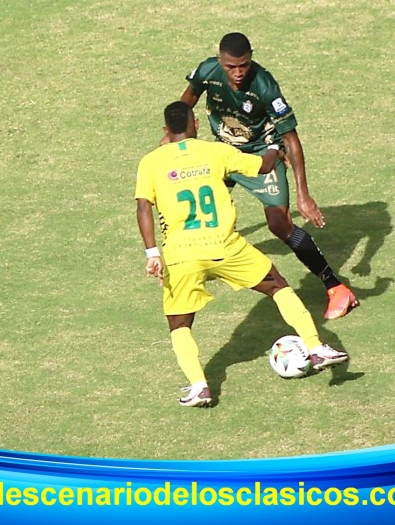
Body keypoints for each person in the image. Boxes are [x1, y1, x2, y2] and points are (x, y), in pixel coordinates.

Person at [136, 101, 349, 407]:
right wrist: (274, 148)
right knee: (277, 285)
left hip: (181, 256)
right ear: (195, 125)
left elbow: (143, 207)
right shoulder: (216, 151)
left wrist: (152, 253)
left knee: (179, 324)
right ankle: (315, 348)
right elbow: (262, 166)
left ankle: (199, 386)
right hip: (224, 246)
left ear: (165, 131)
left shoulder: (151, 162)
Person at [174, 32, 360, 320]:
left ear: (251, 58)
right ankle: (191, 263)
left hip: (262, 155)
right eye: (231, 67)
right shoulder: (208, 71)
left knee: (279, 225)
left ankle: (336, 288)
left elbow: (292, 139)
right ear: (220, 60)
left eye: (244, 65)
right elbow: (185, 104)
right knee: (191, 198)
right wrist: (175, 138)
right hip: (224, 153)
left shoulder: (264, 85)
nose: (238, 73)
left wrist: (303, 194)